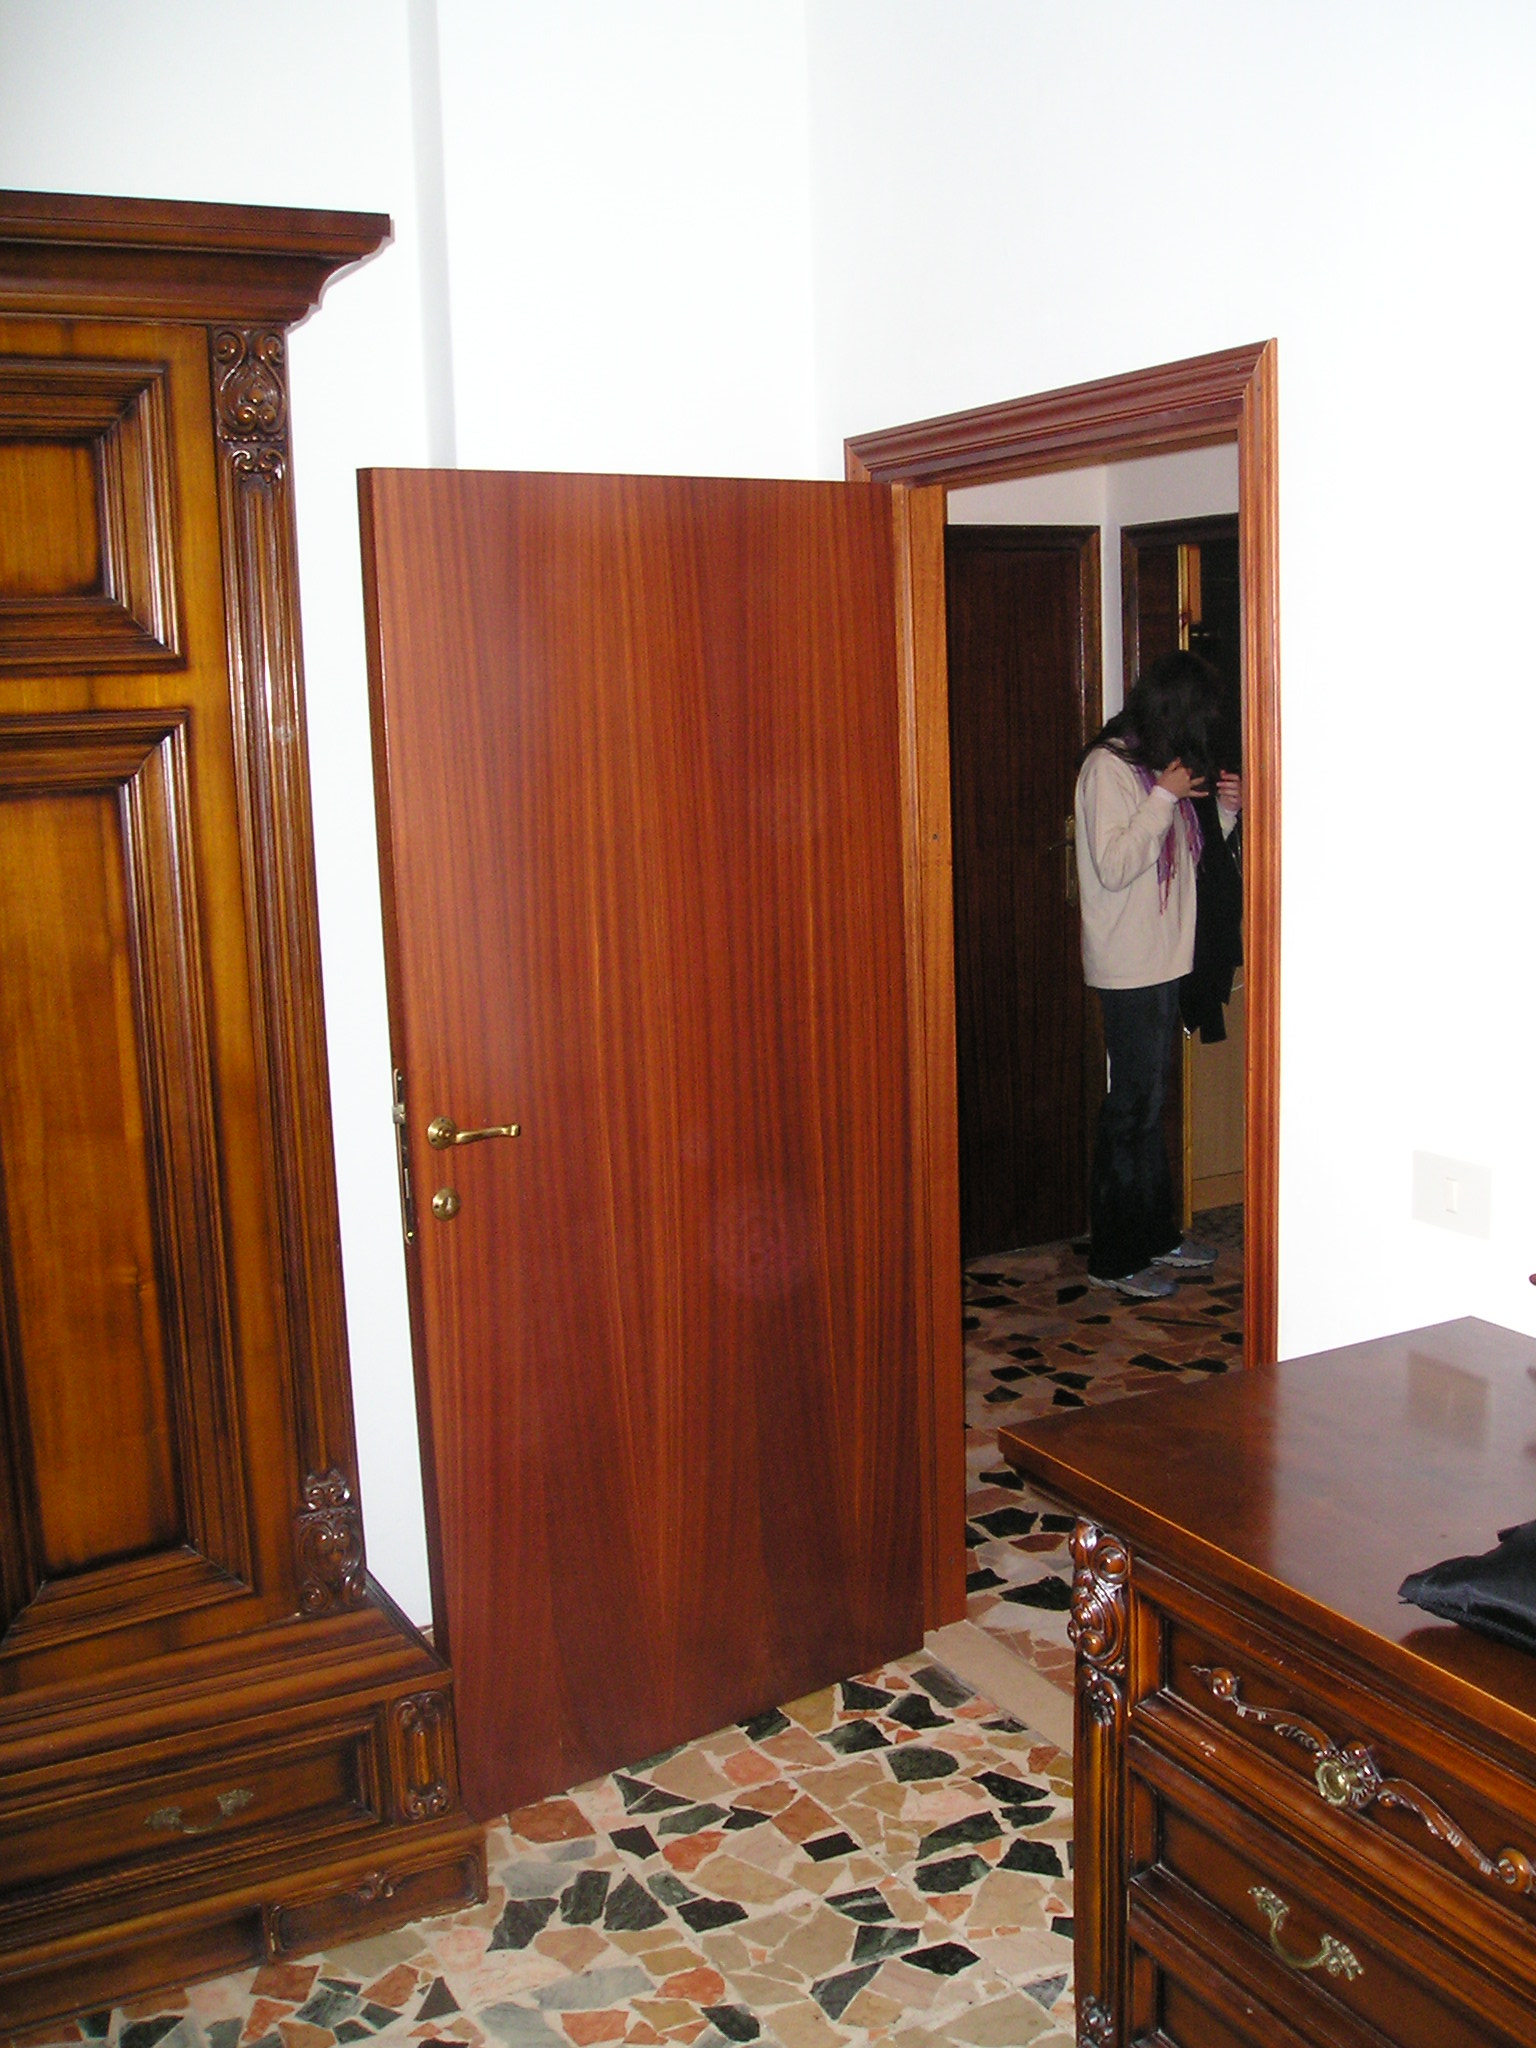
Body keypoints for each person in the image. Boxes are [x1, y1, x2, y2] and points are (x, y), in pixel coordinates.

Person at [1074, 650, 1242, 1299]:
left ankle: (1156, 1235)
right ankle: (1114, 1257)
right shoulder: (1109, 769)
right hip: (1129, 965)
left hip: (1165, 960)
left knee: (1150, 1107)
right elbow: (1116, 864)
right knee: (1131, 1109)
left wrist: (1222, 815)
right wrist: (1164, 797)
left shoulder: (1152, 769)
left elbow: (1182, 858)